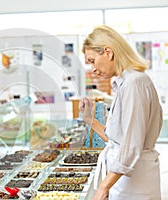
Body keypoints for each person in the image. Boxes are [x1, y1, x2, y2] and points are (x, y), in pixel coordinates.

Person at [79, 25, 162, 200]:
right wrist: (89, 119)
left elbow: (131, 145)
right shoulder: (125, 83)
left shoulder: (135, 83)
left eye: (92, 60)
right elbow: (118, 140)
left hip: (135, 182)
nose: (92, 69)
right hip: (124, 179)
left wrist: (103, 187)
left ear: (108, 52)